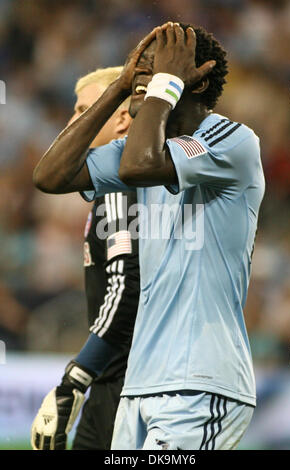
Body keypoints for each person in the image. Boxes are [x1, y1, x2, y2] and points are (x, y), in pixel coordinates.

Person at [33, 22, 265, 450]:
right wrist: (118, 87)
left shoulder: (231, 141)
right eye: (138, 70)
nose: (144, 79)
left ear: (196, 79)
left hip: (200, 382)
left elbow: (140, 165)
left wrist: (162, 86)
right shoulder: (138, 149)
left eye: (155, 70)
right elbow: (50, 175)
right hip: (139, 388)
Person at [31, 67, 140, 450]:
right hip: (112, 383)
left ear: (122, 120)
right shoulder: (111, 189)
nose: (73, 123)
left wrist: (74, 378)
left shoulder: (119, 188)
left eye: (84, 110)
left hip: (128, 388)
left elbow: (126, 291)